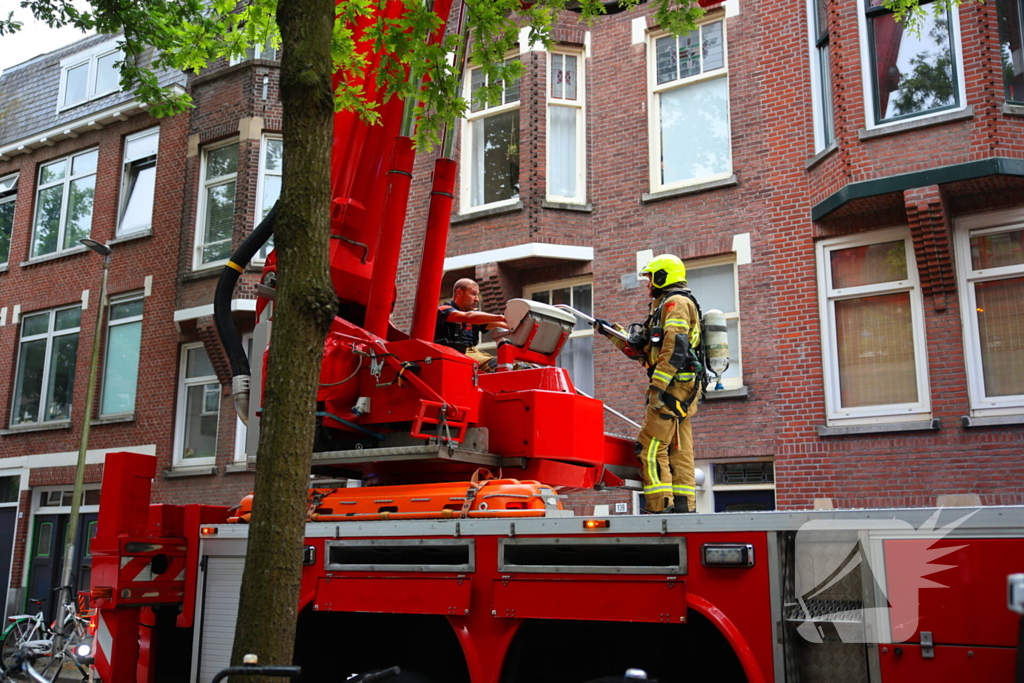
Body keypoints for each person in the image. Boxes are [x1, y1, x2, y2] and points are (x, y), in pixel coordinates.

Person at [593, 255, 702, 514]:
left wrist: (658, 387)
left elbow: (675, 347)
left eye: (651, 278)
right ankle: (683, 505)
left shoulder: (675, 303)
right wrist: (611, 331)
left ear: (663, 277)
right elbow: (643, 351)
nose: (648, 284)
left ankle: (658, 506)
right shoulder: (665, 305)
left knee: (649, 446)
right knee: (678, 449)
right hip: (681, 386)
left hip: (671, 386)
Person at [435, 278, 508, 368]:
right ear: (459, 293)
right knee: (500, 365)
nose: (477, 299)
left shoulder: (475, 316)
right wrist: (501, 317)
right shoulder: (444, 310)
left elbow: (506, 326)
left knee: (518, 365)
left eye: (477, 295)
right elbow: (468, 317)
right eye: (473, 294)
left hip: (474, 353)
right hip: (454, 354)